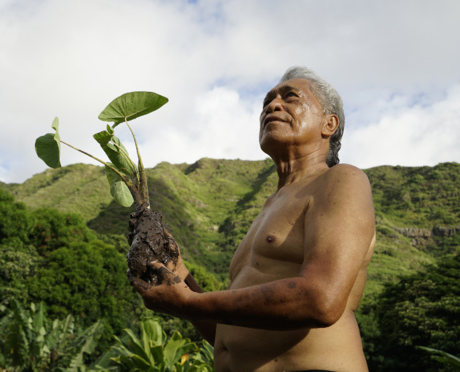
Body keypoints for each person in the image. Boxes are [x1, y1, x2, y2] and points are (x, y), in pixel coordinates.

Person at [131, 66, 376, 372]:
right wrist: (179, 272)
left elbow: (320, 300)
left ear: (329, 123)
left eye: (290, 98)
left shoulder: (341, 181)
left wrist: (188, 303)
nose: (273, 105)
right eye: (267, 102)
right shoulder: (268, 208)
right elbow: (227, 333)